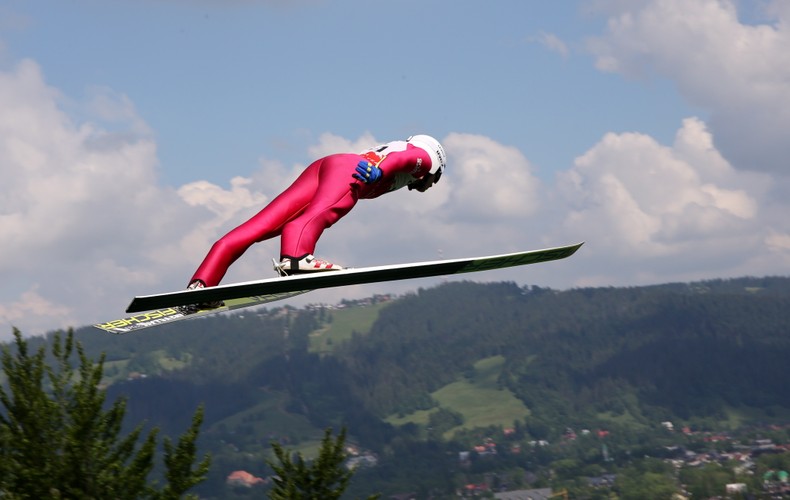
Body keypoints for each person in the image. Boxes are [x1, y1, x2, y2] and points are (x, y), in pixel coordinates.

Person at [184, 134, 447, 306]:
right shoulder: (425, 159)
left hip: (327, 165)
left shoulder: (404, 152)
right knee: (327, 210)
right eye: (435, 180)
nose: (430, 186)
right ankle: (297, 258)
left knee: (258, 226)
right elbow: (403, 158)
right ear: (436, 167)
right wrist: (380, 171)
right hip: (350, 169)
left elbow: (398, 156)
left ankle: (202, 283)